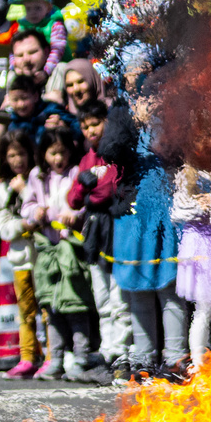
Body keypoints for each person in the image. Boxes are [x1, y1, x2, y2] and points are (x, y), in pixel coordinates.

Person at [98, 49, 185, 383]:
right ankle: (142, 358)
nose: (139, 75)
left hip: (165, 204)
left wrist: (158, 120)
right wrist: (134, 122)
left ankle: (175, 358)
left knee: (168, 285)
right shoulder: (120, 110)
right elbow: (109, 151)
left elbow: (177, 151)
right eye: (133, 69)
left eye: (145, 68)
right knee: (137, 288)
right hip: (133, 210)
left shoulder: (172, 107)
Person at [26, 127, 97, 382]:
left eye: (62, 153)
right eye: (52, 153)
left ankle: (81, 357)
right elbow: (27, 204)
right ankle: (54, 358)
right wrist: (35, 212)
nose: (58, 159)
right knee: (51, 306)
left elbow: (83, 204)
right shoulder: (37, 176)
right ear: (43, 153)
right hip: (46, 250)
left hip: (70, 250)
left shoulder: (76, 173)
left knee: (75, 304)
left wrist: (74, 215)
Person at [65, 100, 127, 364]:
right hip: (93, 231)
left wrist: (93, 192)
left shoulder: (115, 153)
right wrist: (82, 185)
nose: (91, 130)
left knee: (118, 297)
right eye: (85, 126)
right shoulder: (85, 159)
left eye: (95, 124)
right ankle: (107, 349)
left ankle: (122, 350)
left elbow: (112, 188)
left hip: (115, 228)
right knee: (101, 296)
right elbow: (72, 201)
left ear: (106, 122)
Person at [0, 132, 42, 378]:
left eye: (21, 153)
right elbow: (1, 223)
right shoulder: (3, 189)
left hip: (44, 255)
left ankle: (53, 355)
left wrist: (24, 191)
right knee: (26, 308)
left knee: (49, 307)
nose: (17, 160)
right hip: (20, 256)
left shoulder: (38, 179)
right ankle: (27, 356)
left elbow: (43, 208)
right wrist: (22, 226)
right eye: (11, 155)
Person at [172, 152, 211, 371]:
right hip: (199, 247)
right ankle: (198, 362)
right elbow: (176, 212)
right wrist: (199, 206)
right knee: (204, 307)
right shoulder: (187, 175)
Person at [0, 73, 73, 160]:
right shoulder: (11, 120)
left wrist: (64, 128)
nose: (20, 104)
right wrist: (3, 122)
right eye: (15, 100)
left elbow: (76, 129)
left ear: (36, 96)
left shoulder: (51, 110)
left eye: (24, 98)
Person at [0, 0, 68, 75]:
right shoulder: (23, 26)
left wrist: (46, 72)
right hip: (33, 66)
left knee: (60, 68)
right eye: (28, 9)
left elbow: (57, 50)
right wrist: (14, 66)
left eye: (38, 8)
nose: (33, 12)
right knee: (12, 75)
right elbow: (14, 50)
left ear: (48, 8)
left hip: (53, 66)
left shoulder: (55, 26)